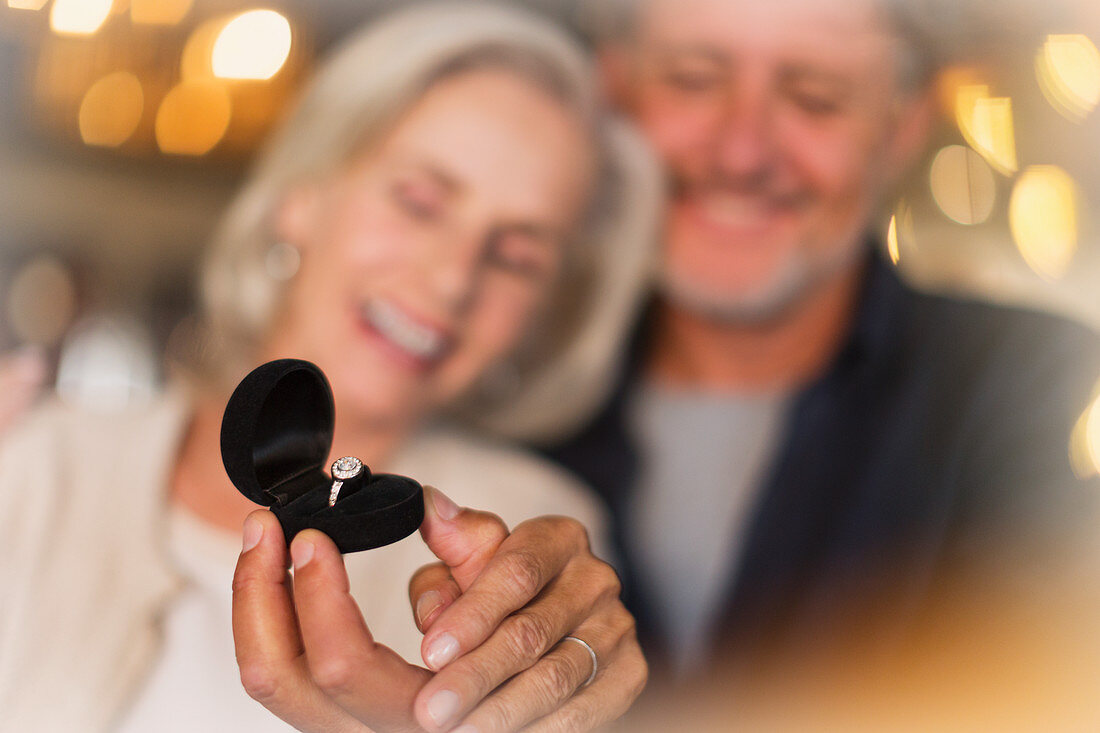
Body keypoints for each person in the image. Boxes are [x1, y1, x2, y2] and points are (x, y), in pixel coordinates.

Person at [0, 3, 659, 732]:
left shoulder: (533, 537)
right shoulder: (37, 463)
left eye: (516, 256)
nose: (452, 279)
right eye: (418, 201)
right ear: (302, 197)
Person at [539, 0, 1100, 683]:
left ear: (902, 127)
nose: (742, 151)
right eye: (691, 79)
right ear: (616, 92)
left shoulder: (1044, 386)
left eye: (816, 98)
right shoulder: (523, 385)